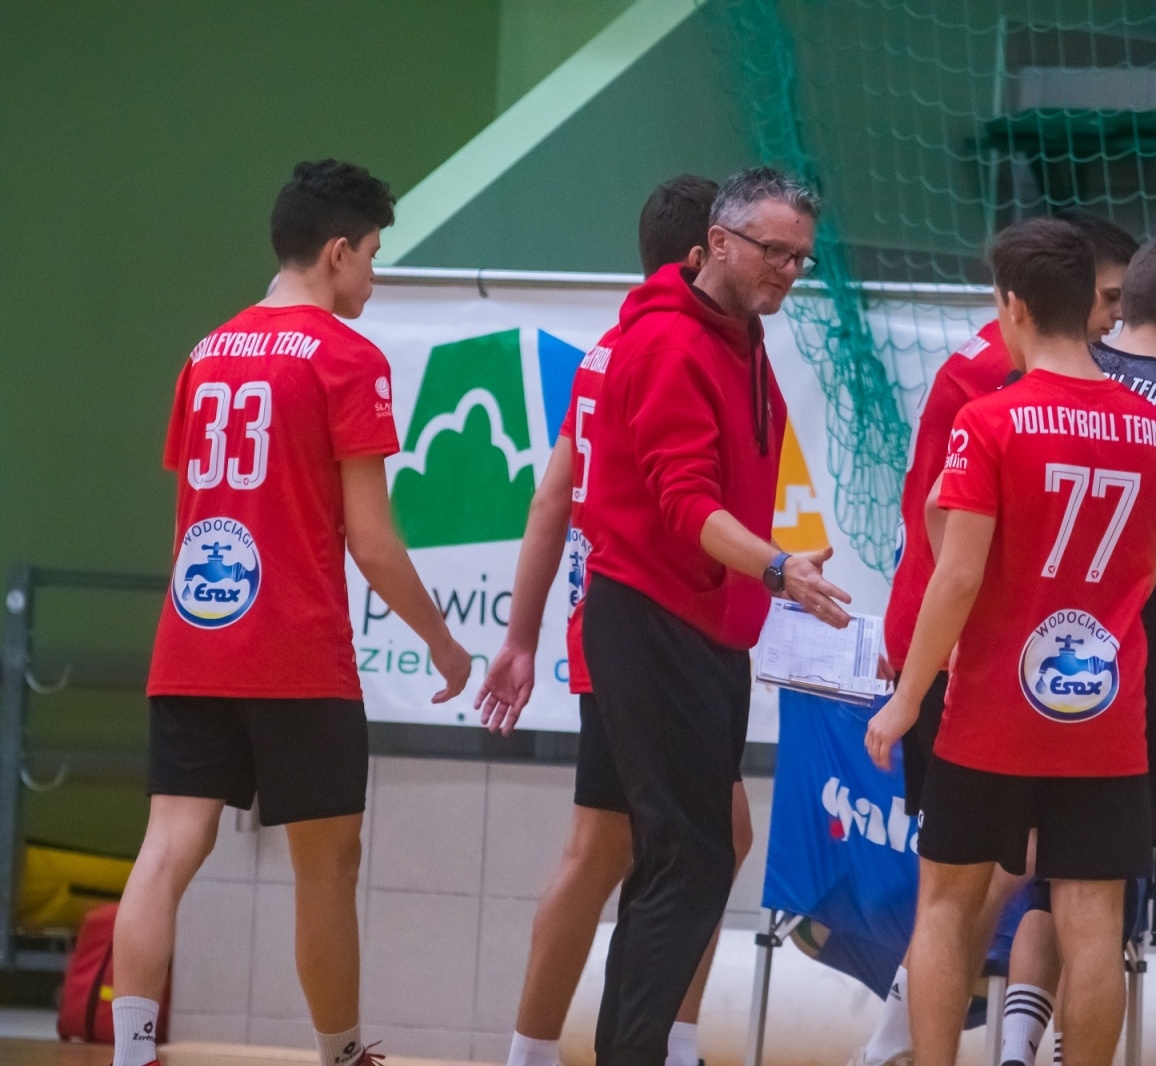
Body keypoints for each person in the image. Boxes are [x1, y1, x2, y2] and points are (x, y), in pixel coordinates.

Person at [117, 160, 472, 1066]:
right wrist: (443, 644)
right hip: (296, 651)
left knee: (164, 851)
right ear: (337, 251)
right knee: (327, 869)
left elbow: (192, 515)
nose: (374, 275)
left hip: (192, 642)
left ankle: (129, 1053)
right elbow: (375, 543)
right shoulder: (349, 358)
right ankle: (342, 1055)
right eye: (374, 256)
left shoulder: (205, 352)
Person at [865, 217, 1156, 1066]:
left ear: (1012, 305)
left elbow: (958, 575)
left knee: (945, 906)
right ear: (1092, 302)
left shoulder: (992, 420)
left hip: (993, 713)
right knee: (1094, 925)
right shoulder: (1155, 431)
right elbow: (1151, 577)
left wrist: (907, 700)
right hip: (1105, 716)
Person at [473, 175, 753, 1066]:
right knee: (614, 845)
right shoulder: (662, 352)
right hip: (647, 629)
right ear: (702, 254)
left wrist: (521, 638)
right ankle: (586, 1046)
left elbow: (553, 496)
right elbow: (557, 498)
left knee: (665, 839)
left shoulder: (607, 353)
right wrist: (519, 638)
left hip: (627, 631)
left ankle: (639, 1040)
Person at [581, 166, 852, 1066]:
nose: (788, 270)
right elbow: (684, 506)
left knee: (676, 862)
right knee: (686, 860)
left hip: (705, 630)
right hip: (651, 620)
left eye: (800, 259)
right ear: (720, 242)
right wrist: (777, 569)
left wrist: (773, 568)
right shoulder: (668, 344)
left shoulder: (741, 336)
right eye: (775, 251)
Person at [997, 237, 1156, 1066]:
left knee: (1013, 882)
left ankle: (1007, 1051)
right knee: (1094, 899)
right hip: (1118, 676)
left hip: (1021, 667)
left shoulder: (1053, 375)